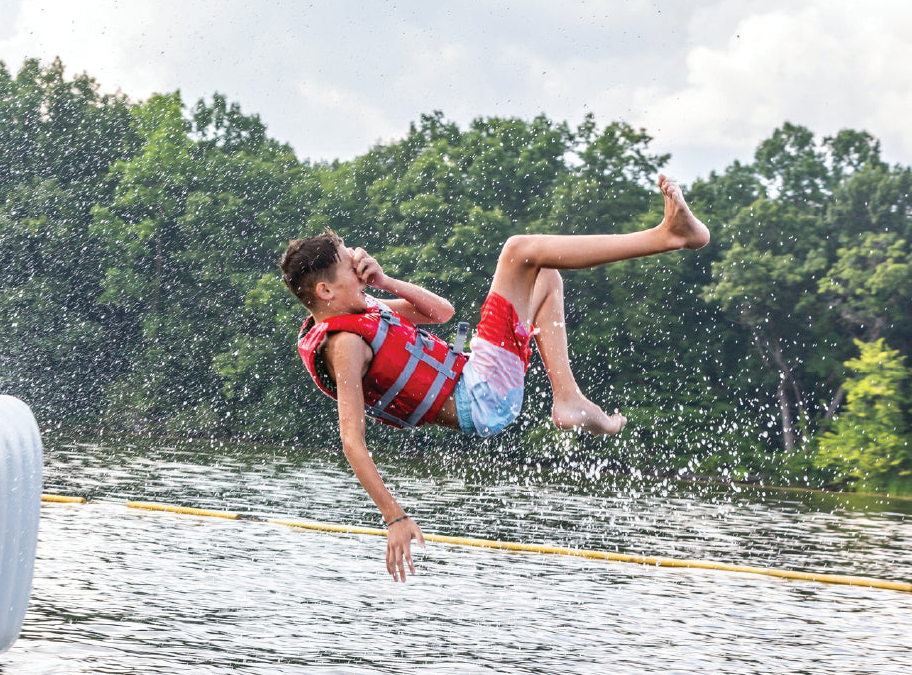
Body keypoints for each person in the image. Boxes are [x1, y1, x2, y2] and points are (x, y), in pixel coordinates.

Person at [279, 174, 710, 582]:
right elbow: (352, 441)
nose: (360, 269)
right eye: (350, 269)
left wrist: (386, 281)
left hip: (480, 386)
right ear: (325, 292)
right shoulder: (345, 344)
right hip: (479, 395)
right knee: (518, 250)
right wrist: (395, 517)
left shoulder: (362, 314)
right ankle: (668, 236)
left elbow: (441, 313)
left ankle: (569, 399)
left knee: (544, 274)